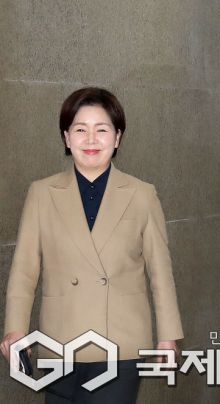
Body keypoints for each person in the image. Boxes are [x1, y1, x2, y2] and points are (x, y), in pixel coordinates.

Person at [0, 87, 183, 403]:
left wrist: (168, 336)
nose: (91, 140)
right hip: (60, 340)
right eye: (80, 130)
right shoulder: (41, 193)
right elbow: (24, 270)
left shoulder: (142, 194)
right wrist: (15, 329)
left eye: (102, 130)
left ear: (118, 137)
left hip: (122, 343)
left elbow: (160, 273)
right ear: (66, 138)